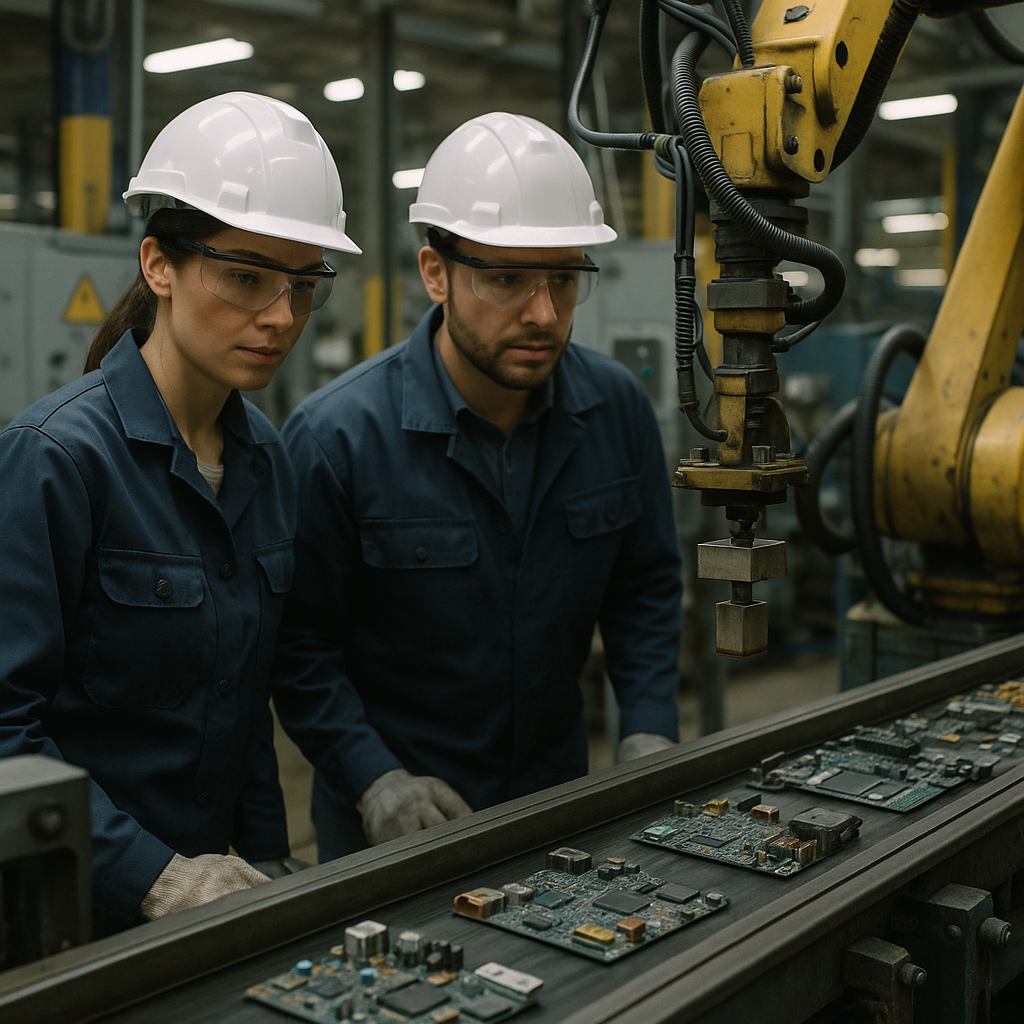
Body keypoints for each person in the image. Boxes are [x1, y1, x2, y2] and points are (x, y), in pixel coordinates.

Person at [273, 112, 682, 860]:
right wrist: (374, 781)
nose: (544, 313)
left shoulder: (616, 408)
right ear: (436, 273)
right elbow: (298, 651)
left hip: (558, 812)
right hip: (393, 835)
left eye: (564, 278)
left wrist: (649, 726)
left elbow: (645, 586)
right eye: (506, 279)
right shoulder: (337, 440)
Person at [0, 92, 360, 936]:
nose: (280, 317)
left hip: (216, 904)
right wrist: (152, 876)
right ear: (159, 265)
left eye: (304, 286)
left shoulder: (265, 460)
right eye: (245, 276)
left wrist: (266, 860)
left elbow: (244, 712)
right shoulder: (55, 460)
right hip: (70, 915)